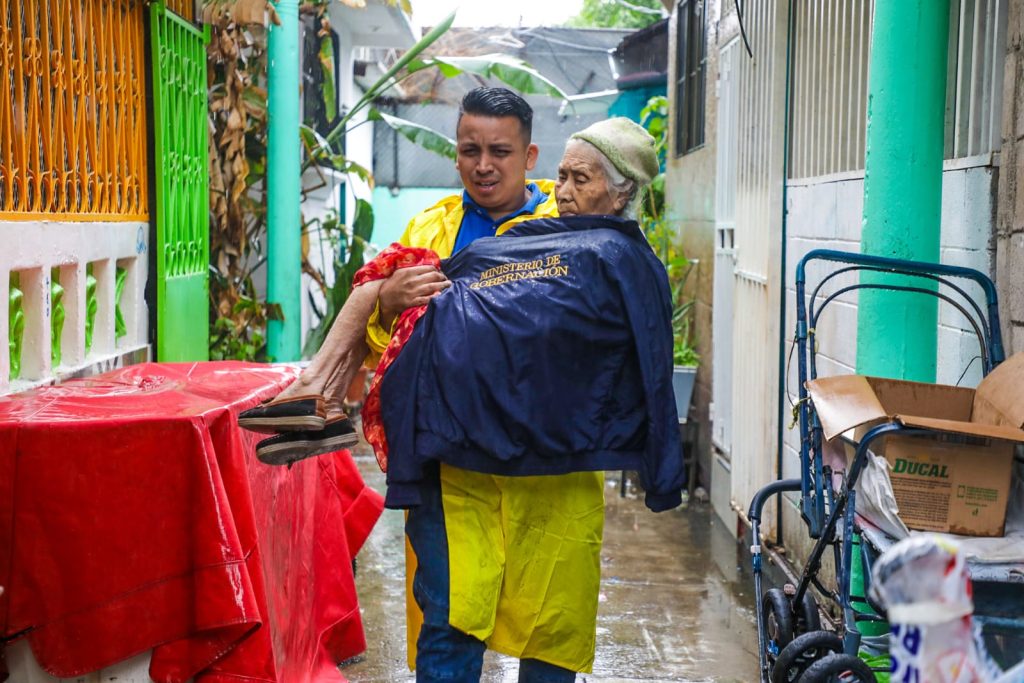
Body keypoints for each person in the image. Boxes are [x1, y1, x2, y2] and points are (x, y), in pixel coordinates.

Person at [370, 91, 667, 683]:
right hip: (452, 472)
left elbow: (622, 338)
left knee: (550, 632)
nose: (484, 165)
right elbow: (390, 345)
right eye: (470, 151)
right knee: (450, 621)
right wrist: (384, 300)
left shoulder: (577, 230)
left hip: (552, 469)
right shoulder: (428, 230)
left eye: (500, 151)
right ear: (454, 156)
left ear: (528, 154)